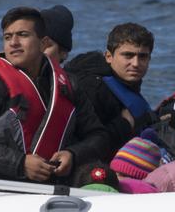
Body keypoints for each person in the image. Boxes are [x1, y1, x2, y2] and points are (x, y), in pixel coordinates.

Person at [0, 6, 111, 182]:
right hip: (4, 188)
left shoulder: (69, 84)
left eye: (22, 35)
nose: (13, 42)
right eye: (7, 37)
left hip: (56, 189)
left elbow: (99, 137)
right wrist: (20, 164)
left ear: (43, 43)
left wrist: (73, 155)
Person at [65, 22, 157, 154]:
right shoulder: (92, 88)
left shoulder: (125, 85)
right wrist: (124, 124)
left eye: (142, 56)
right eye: (128, 55)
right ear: (109, 56)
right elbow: (83, 142)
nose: (136, 64)